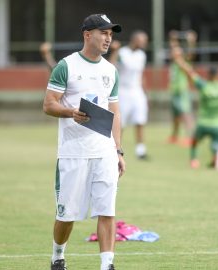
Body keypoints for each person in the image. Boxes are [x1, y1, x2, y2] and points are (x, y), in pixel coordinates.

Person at [42, 14, 125, 270]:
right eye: (103, 32)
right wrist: (71, 113)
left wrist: (118, 150)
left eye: (111, 33)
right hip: (73, 153)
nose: (108, 38)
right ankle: (58, 255)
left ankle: (107, 264)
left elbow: (115, 113)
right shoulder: (66, 66)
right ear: (87, 35)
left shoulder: (111, 70)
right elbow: (48, 105)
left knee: (107, 210)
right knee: (66, 216)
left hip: (104, 152)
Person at [172, 46, 218, 170]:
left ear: (208, 75)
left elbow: (189, 72)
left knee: (195, 141)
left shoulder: (204, 85)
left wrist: (178, 59)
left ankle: (194, 160)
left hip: (204, 123)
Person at [109, 30, 149, 159]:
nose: (144, 43)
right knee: (120, 122)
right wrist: (114, 51)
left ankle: (140, 151)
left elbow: (141, 75)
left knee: (140, 120)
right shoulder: (122, 52)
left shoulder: (142, 55)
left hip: (137, 91)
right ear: (135, 39)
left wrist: (145, 92)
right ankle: (115, 149)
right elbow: (110, 66)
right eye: (142, 40)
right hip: (123, 90)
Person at [167, 30, 196, 147]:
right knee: (175, 116)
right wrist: (173, 39)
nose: (172, 52)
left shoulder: (182, 62)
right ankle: (174, 136)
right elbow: (173, 46)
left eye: (175, 52)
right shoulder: (174, 63)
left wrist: (191, 41)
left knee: (186, 114)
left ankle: (191, 137)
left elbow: (191, 53)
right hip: (174, 92)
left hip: (182, 92)